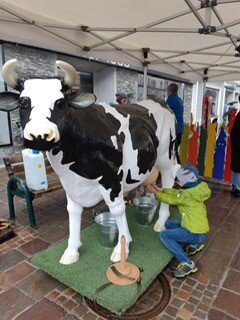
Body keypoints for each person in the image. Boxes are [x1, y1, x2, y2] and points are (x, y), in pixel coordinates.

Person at [146, 164, 211, 278]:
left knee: (164, 235)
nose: (176, 181)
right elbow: (176, 193)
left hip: (194, 232)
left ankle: (187, 263)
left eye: (178, 180)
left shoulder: (187, 196)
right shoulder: (194, 189)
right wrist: (160, 189)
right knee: (167, 223)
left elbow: (171, 199)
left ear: (186, 181)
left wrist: (155, 193)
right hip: (195, 227)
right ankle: (194, 245)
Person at [166, 83, 184, 164]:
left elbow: (164, 113)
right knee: (174, 150)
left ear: (169, 91)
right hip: (180, 129)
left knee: (172, 152)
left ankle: (177, 171)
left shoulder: (170, 100)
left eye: (167, 90)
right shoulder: (179, 100)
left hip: (174, 129)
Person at [230, 96, 240, 198]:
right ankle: (237, 188)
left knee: (236, 165)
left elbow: (234, 132)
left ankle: (234, 186)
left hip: (236, 144)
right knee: (237, 167)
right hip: (238, 144)